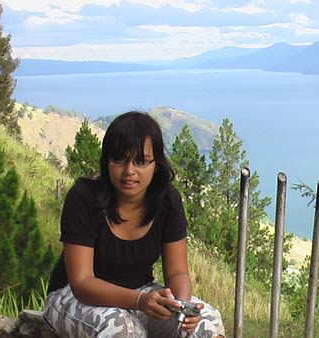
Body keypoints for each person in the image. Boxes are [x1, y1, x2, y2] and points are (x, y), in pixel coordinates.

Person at [43, 111, 225, 338]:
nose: (129, 171)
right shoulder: (83, 198)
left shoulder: (167, 200)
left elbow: (177, 272)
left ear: (155, 164)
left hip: (141, 294)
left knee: (206, 322)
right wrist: (139, 301)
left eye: (140, 161)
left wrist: (182, 307)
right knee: (120, 328)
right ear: (107, 162)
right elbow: (81, 282)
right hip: (73, 297)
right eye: (119, 159)